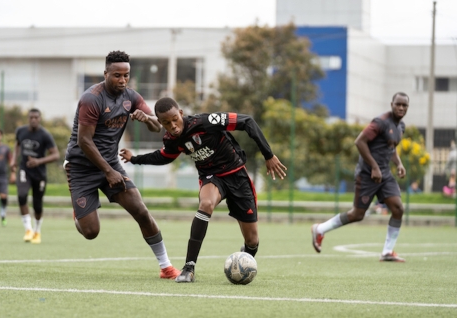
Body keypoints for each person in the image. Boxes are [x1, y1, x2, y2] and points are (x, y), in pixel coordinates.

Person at [120, 97, 287, 283]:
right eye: (166, 123)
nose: (173, 125)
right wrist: (135, 159)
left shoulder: (205, 122)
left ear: (181, 113)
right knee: (206, 204)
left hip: (237, 175)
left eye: (175, 119)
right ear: (160, 123)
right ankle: (188, 267)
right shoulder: (172, 139)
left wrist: (268, 155)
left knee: (252, 241)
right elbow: (165, 156)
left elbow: (247, 121)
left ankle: (244, 261)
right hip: (211, 177)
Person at [63, 50, 180, 280]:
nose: (123, 80)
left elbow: (159, 127)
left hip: (111, 165)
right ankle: (79, 214)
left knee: (141, 210)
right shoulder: (91, 98)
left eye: (126, 75)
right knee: (91, 232)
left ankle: (166, 267)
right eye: (117, 75)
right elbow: (84, 141)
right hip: (81, 167)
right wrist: (108, 172)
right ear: (105, 73)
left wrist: (146, 119)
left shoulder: (131, 96)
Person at [311, 92, 409, 262]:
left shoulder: (401, 127)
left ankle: (387, 251)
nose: (401, 108)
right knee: (357, 214)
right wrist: (374, 167)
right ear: (391, 104)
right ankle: (320, 229)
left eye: (404, 105)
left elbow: (391, 148)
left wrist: (399, 164)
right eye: (398, 104)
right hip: (367, 173)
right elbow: (360, 142)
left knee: (398, 209)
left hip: (384, 174)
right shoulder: (380, 122)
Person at [11, 108, 60, 244]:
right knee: (21, 196)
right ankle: (28, 229)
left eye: (36, 117)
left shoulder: (45, 135)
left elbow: (56, 155)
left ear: (39, 119)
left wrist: (38, 161)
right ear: (28, 118)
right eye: (31, 117)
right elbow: (17, 145)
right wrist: (13, 160)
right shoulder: (21, 131)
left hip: (39, 173)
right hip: (24, 170)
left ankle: (37, 231)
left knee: (37, 205)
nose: (33, 119)